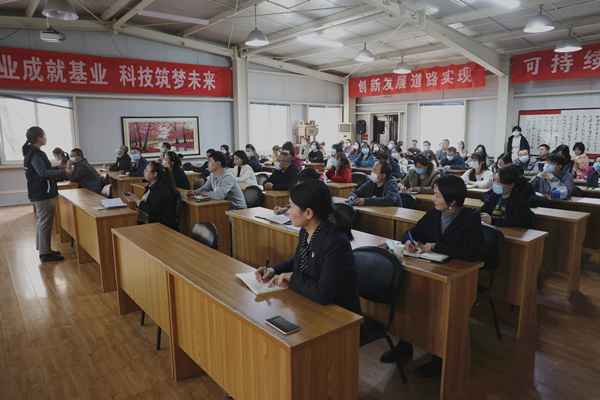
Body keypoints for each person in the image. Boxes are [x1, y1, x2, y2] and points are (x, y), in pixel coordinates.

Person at [381, 175, 484, 377]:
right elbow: (412, 232)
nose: (433, 199)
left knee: (440, 313)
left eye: (437, 195)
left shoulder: (470, 218)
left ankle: (439, 357)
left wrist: (438, 246)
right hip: (429, 270)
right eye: (434, 194)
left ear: (452, 200)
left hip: (455, 277)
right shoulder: (433, 213)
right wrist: (408, 241)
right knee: (410, 299)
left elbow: (474, 253)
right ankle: (405, 345)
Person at [256, 180, 362, 319]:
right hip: (309, 304)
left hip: (339, 316)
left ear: (308, 213)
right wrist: (274, 270)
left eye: (291, 206)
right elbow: (299, 259)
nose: (288, 212)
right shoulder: (306, 231)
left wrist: (292, 277)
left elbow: (323, 294)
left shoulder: (336, 242)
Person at [23, 126, 73, 262]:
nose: (46, 138)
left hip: (39, 191)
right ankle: (45, 253)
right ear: (39, 138)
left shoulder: (32, 152)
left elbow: (41, 169)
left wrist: (57, 168)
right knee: (45, 222)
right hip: (42, 192)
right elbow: (42, 172)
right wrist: (64, 172)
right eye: (44, 136)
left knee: (42, 221)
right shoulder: (35, 153)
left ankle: (45, 250)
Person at [124, 162, 178, 229]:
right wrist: (135, 199)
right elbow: (147, 203)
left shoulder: (161, 189)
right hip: (147, 219)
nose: (144, 172)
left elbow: (152, 210)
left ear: (154, 174)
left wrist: (137, 200)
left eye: (146, 171)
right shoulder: (151, 185)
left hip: (158, 225)